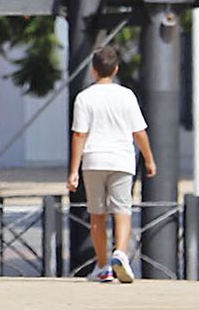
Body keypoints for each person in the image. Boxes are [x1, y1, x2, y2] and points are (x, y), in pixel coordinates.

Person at [66, 46, 156, 284]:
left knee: (97, 215)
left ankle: (103, 265)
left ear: (93, 70)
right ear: (115, 69)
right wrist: (148, 159)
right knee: (122, 210)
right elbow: (139, 132)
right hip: (121, 159)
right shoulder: (127, 96)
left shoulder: (85, 97)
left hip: (93, 160)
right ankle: (121, 254)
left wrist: (74, 170)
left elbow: (79, 135)